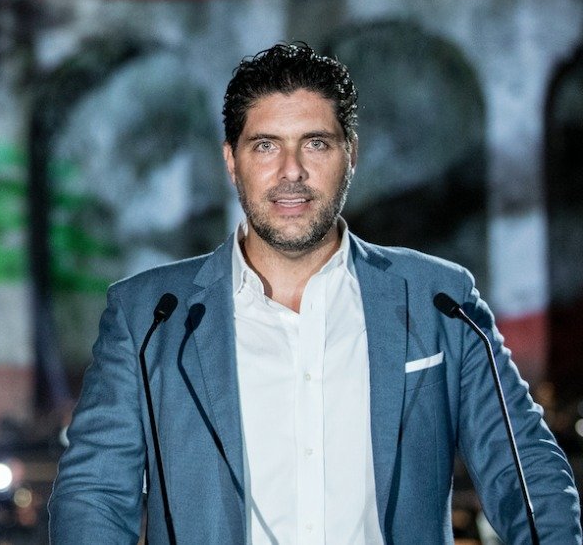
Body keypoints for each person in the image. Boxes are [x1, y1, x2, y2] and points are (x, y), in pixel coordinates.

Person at [49, 42, 581, 544]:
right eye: (265, 145)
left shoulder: (440, 300)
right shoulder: (149, 317)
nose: (292, 172)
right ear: (231, 161)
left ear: (351, 155)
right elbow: (94, 495)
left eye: (316, 143)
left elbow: (527, 473)